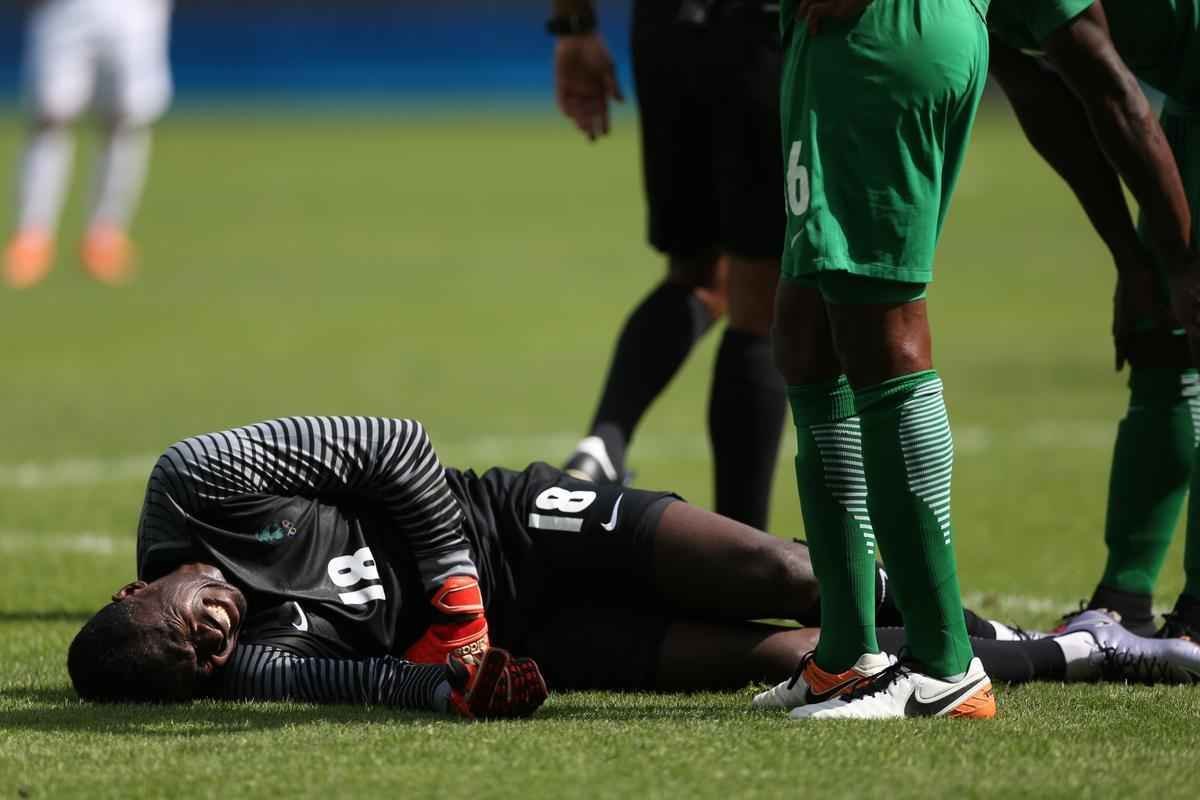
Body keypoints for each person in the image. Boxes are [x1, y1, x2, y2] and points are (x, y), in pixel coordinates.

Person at [67, 416, 1200, 712]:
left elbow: (393, 446)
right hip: (532, 636)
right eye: (199, 665)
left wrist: (457, 601)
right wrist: (459, 685)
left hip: (505, 522)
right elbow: (363, 681)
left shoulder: (196, 483)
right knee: (806, 652)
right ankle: (1080, 648)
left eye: (186, 625)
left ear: (142, 584)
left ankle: (961, 615)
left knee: (779, 568)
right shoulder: (241, 665)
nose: (213, 637)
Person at [768, 0, 1198, 720]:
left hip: (892, 35)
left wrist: (1178, 259)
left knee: (881, 331)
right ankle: (847, 656)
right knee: (807, 337)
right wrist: (1135, 257)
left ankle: (943, 666)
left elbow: (1099, 74)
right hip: (833, 44)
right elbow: (1049, 88)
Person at [986, 0, 1200, 639]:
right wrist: (1134, 260)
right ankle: (1124, 598)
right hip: (1188, 92)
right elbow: (1042, 99)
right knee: (1160, 333)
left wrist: (1182, 264)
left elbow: (1115, 95)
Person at [548, 0, 787, 530]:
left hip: (668, 28)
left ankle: (604, 443)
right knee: (761, 305)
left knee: (701, 275)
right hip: (764, 28)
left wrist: (574, 26)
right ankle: (742, 559)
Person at [4, 0, 173, 288]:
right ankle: (32, 236)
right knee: (50, 112)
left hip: (134, 11)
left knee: (125, 117)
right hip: (63, 8)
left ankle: (106, 236)